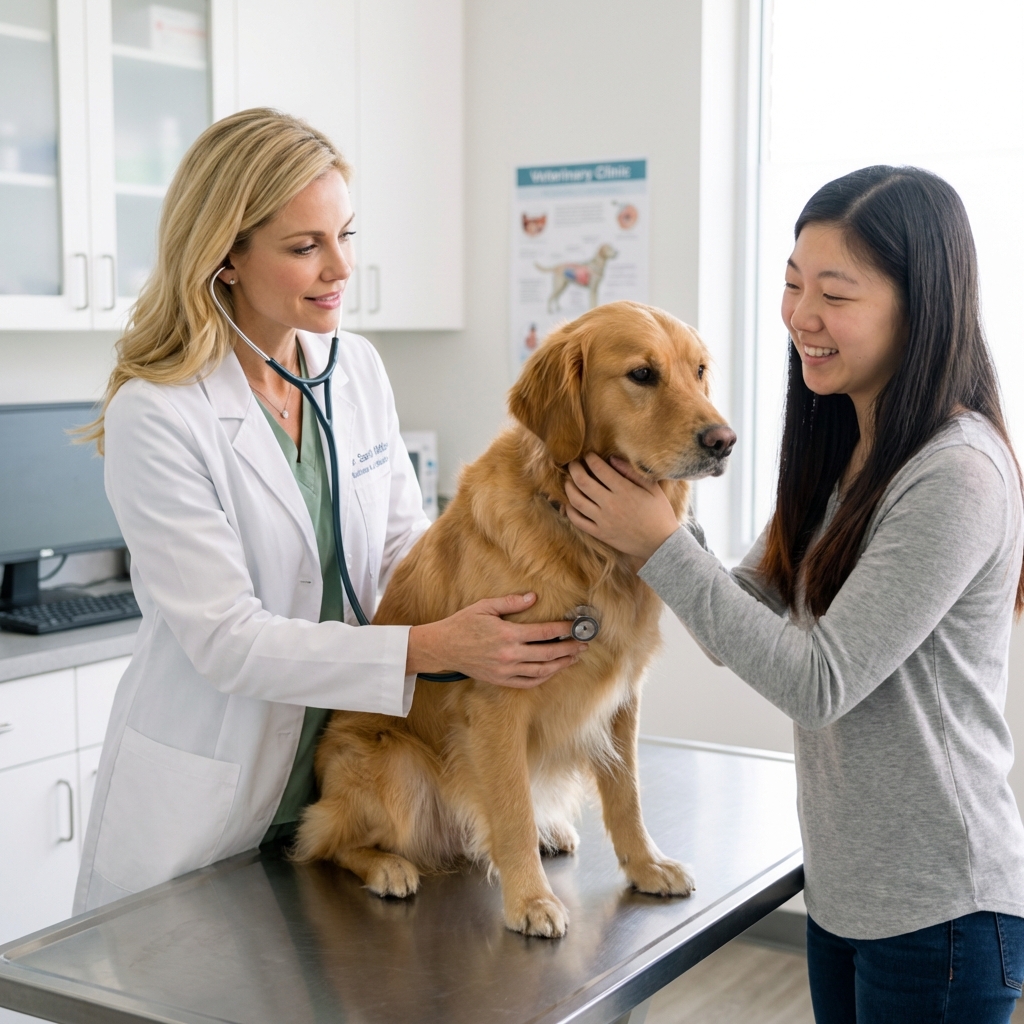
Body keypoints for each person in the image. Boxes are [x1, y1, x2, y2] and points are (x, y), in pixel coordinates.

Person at [74, 108, 585, 914]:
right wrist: (429, 646)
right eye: (305, 246)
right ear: (226, 258)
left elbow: (398, 548)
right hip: (218, 792)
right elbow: (227, 642)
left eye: (346, 234)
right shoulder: (159, 414)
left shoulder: (352, 368)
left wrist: (495, 603)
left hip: (358, 768)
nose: (339, 266)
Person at [563, 166, 1024, 1022]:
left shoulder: (956, 473)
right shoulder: (848, 448)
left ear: (920, 305)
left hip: (943, 911)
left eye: (834, 294)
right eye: (791, 284)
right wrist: (659, 499)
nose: (801, 317)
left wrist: (659, 542)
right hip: (848, 893)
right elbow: (738, 611)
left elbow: (818, 682)